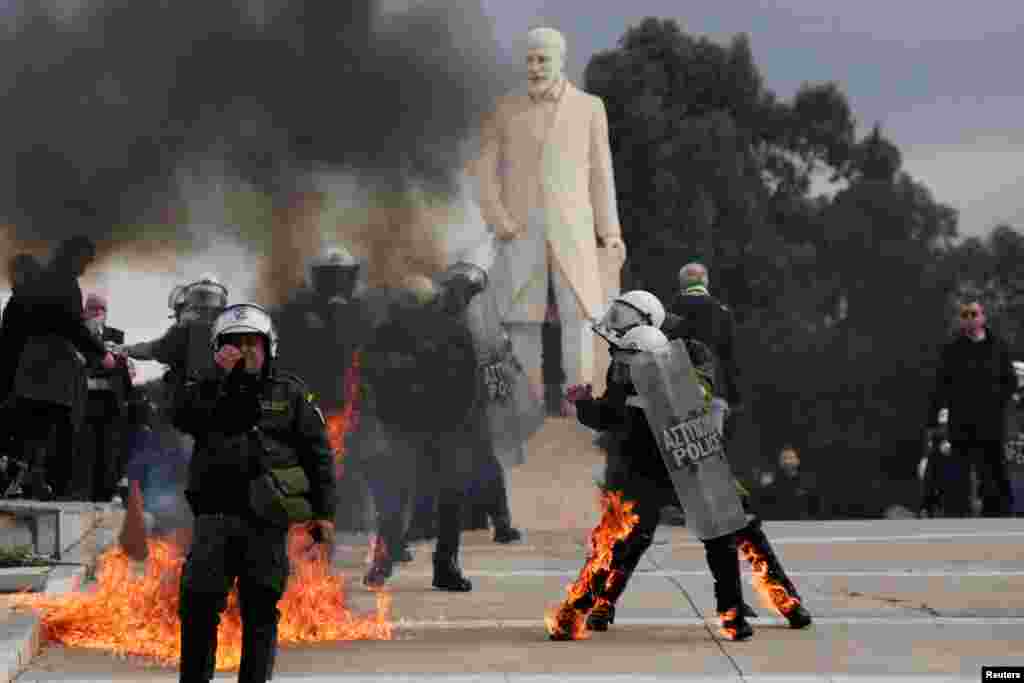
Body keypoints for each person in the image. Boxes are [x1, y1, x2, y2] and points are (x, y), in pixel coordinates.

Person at [173, 303, 336, 683]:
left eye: (253, 343)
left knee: (261, 612)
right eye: (235, 343)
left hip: (266, 523)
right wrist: (218, 376)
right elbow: (182, 416)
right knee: (197, 607)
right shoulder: (205, 388)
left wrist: (323, 515)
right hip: (215, 518)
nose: (246, 351)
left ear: (269, 347)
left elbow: (319, 456)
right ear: (218, 348)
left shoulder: (290, 393)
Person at [566, 324, 755, 640]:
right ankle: (583, 609)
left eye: (630, 362)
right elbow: (609, 415)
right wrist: (585, 404)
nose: (622, 368)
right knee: (616, 543)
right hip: (646, 474)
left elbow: (701, 404)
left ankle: (733, 614)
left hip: (685, 468)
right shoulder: (629, 387)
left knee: (720, 543)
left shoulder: (685, 383)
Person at [476, 26, 626, 416]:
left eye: (542, 59)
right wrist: (498, 219)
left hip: (573, 232)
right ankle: (528, 404)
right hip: (518, 233)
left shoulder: (590, 107)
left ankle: (579, 405)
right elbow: (483, 171)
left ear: (561, 61)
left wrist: (610, 232)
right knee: (521, 322)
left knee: (579, 319)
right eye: (529, 59)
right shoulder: (505, 108)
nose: (535, 66)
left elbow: (601, 174)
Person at [661, 275, 812, 628]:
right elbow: (729, 367)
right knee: (741, 527)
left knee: (634, 541)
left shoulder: (670, 336)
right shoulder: (719, 319)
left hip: (681, 462)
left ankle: (597, 604)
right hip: (703, 454)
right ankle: (782, 604)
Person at [356, 277, 480, 592]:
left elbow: (468, 380)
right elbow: (370, 373)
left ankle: (445, 565)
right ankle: (383, 562)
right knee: (395, 497)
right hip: (403, 426)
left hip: (442, 427)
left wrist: (458, 421)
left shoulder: (453, 332)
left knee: (448, 497)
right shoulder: (387, 334)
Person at [11, 237, 116, 500]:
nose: (84, 269)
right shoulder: (64, 282)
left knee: (35, 427)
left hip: (32, 362)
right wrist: (101, 353)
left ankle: (28, 480)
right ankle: (47, 484)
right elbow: (71, 324)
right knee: (57, 426)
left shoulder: (42, 279)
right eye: (84, 262)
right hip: (52, 364)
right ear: (74, 256)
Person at [927, 297, 1017, 517]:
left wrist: (998, 401)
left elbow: (1010, 381)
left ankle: (998, 514)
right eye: (965, 315)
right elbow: (941, 384)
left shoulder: (998, 346)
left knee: (994, 469)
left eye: (974, 314)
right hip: (962, 419)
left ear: (983, 317)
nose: (969, 319)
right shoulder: (952, 349)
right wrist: (935, 417)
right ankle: (957, 515)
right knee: (958, 470)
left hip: (991, 420)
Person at [665, 263, 742, 434]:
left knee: (678, 448)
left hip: (677, 391)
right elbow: (730, 357)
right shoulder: (723, 312)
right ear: (705, 281)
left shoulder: (667, 312)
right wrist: (734, 397)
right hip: (714, 390)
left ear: (681, 282)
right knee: (710, 451)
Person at [77, 293, 134, 502]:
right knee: (86, 446)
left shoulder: (116, 335)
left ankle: (106, 492)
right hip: (85, 399)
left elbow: (119, 367)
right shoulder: (79, 335)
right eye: (92, 309)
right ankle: (84, 492)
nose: (97, 313)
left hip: (110, 400)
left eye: (101, 310)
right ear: (85, 312)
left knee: (108, 447)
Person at [755, 446, 822, 521]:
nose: (787, 461)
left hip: (804, 525)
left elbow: (816, 509)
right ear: (779, 462)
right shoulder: (771, 486)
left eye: (791, 458)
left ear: (798, 460)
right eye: (784, 458)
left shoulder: (809, 484)